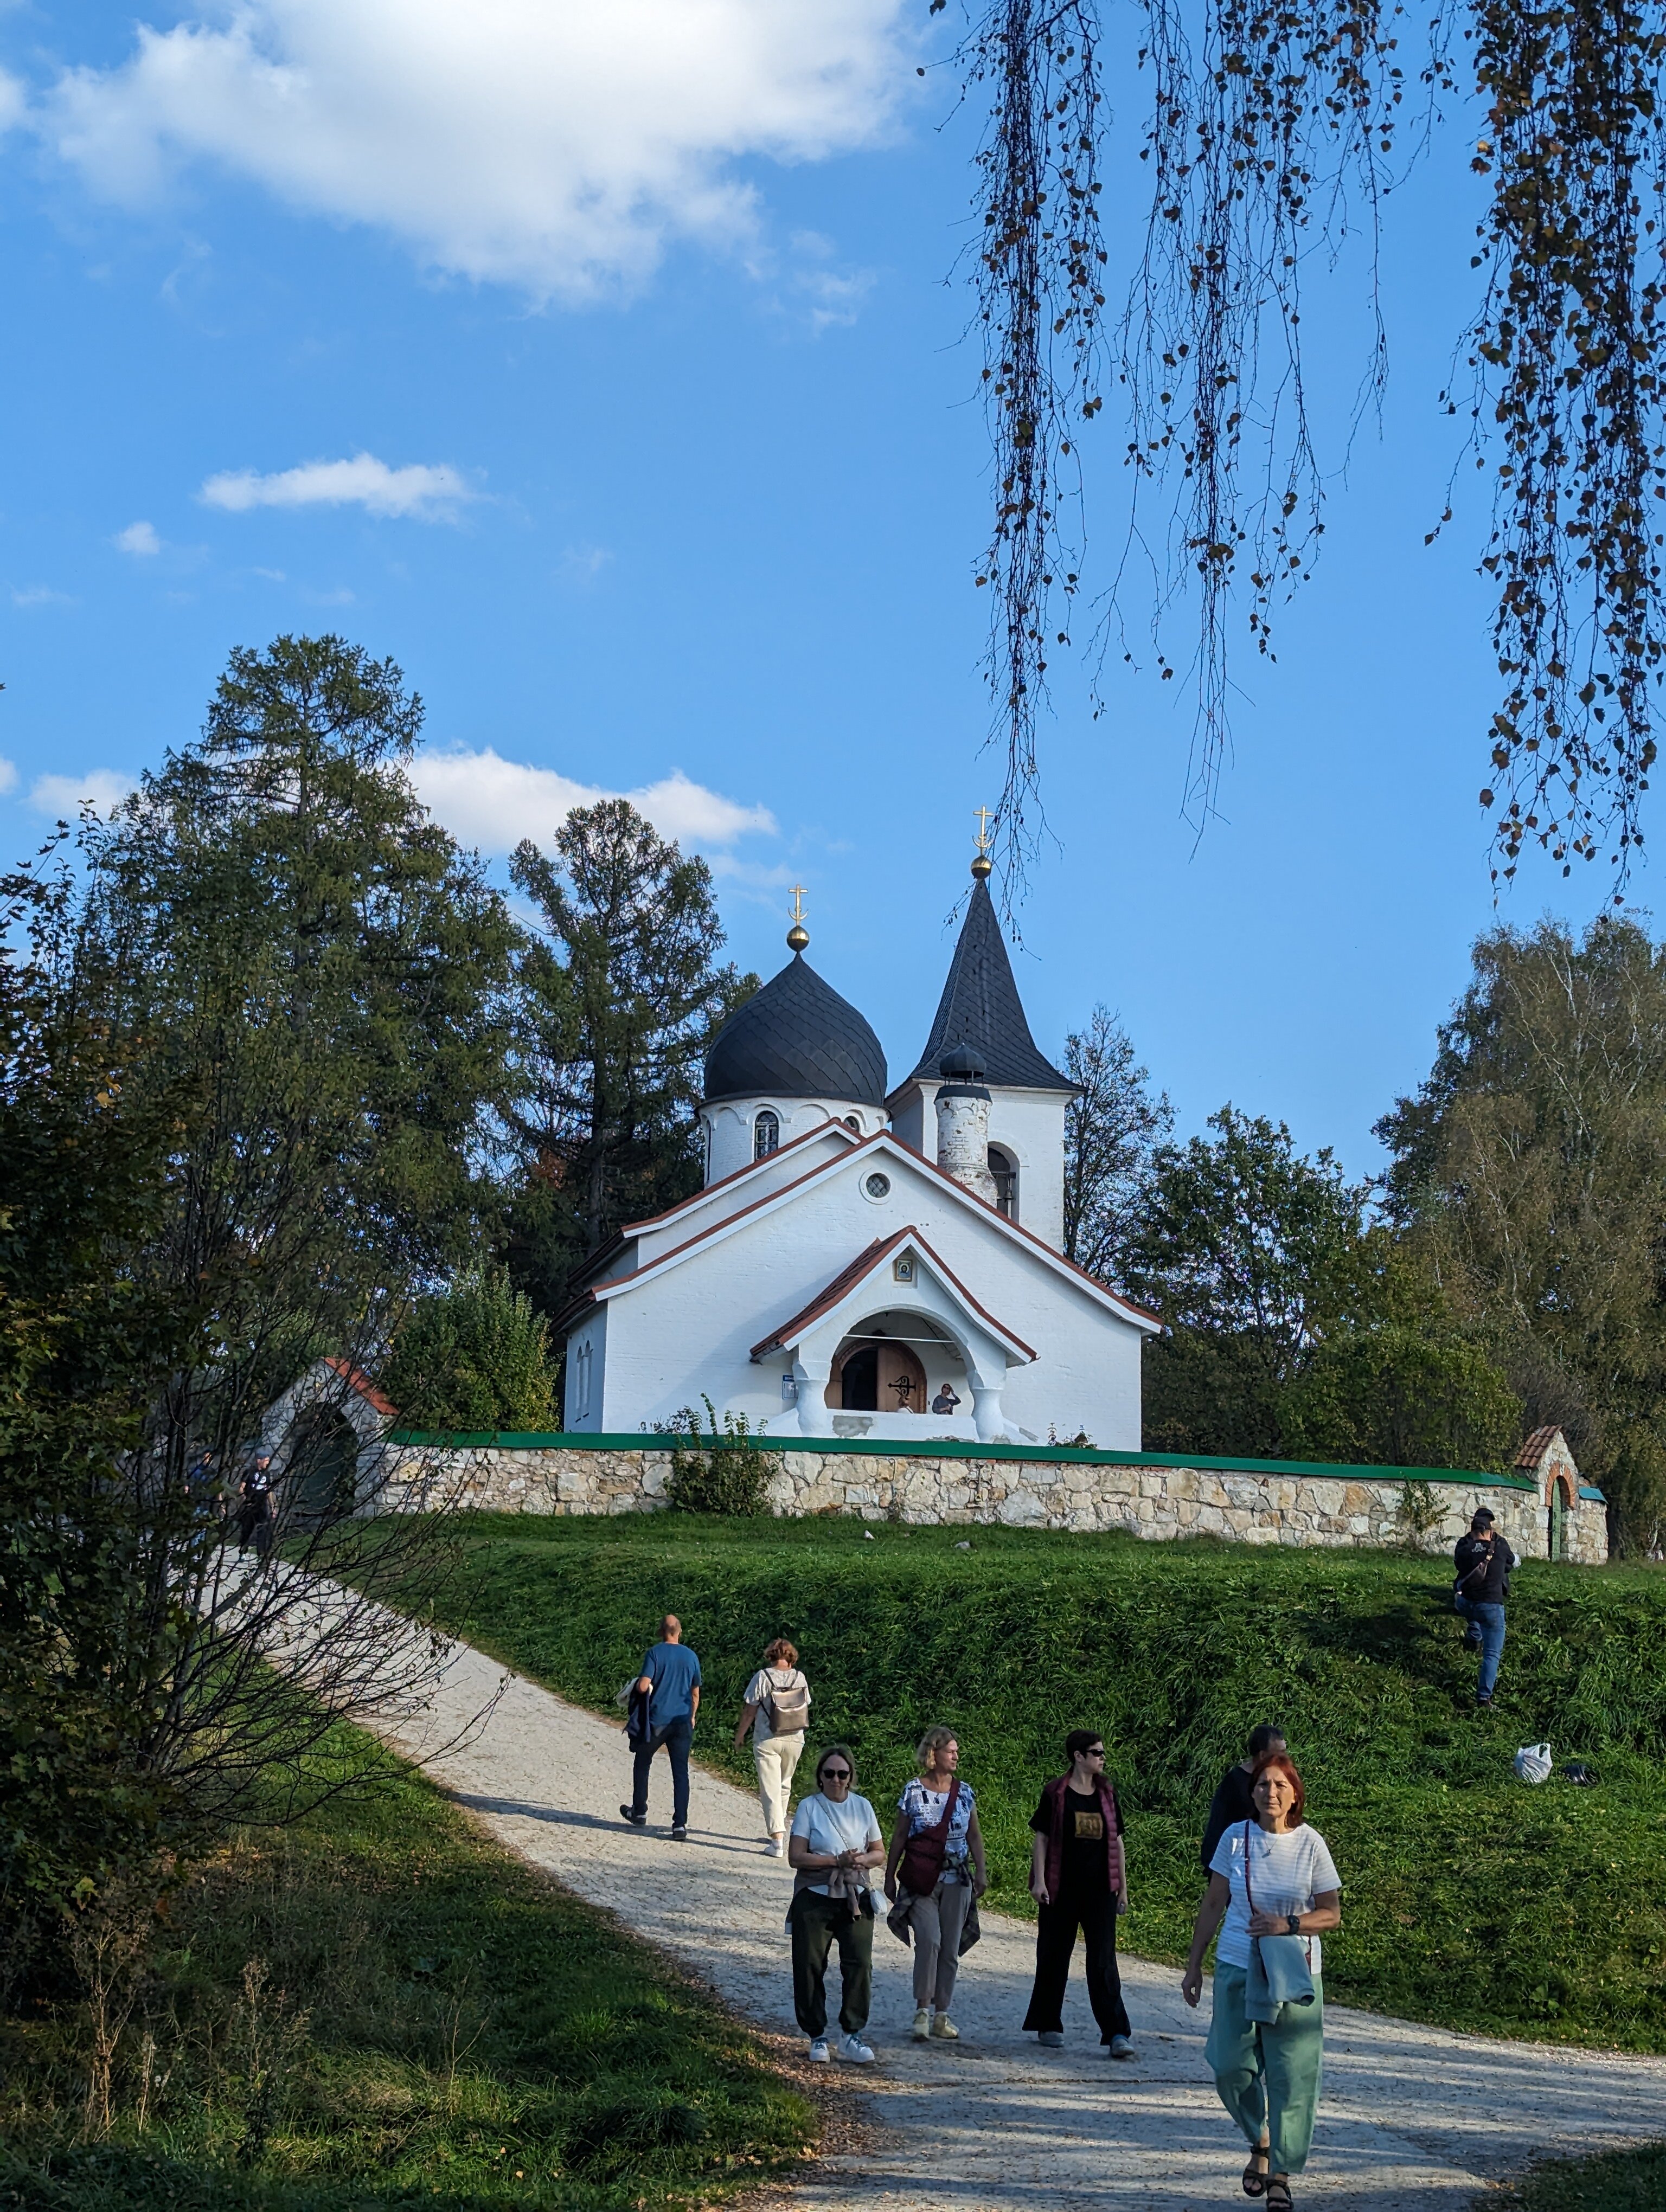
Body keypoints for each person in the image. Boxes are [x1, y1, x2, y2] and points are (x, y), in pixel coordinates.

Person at [1182, 1753, 1342, 2212]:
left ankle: (1282, 2174)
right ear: (1251, 1792)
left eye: (1279, 1786)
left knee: (1293, 2076)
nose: (1269, 1792)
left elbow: (1331, 1914)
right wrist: (1194, 1966)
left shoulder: (1312, 1844)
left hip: (1294, 1973)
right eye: (1262, 1785)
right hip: (1236, 1964)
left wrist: (1288, 1924)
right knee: (1229, 2065)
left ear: (1295, 1795)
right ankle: (1262, 2138)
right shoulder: (1235, 1838)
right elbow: (1213, 1903)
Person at [1023, 1729, 1134, 2057]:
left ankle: (1116, 2032)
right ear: (1079, 1756)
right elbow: (1041, 1838)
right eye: (1097, 1753)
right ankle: (1048, 2022)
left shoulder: (1107, 1794)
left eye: (1102, 1753)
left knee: (1103, 1960)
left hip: (1100, 1891)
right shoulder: (1056, 1793)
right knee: (1054, 1955)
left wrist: (1123, 1889)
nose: (1103, 1758)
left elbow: (1117, 1842)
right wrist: (1039, 1882)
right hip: (1061, 1887)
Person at [885, 1726, 987, 2042]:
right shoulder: (914, 1791)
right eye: (950, 1751)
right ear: (934, 1754)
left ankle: (942, 2015)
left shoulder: (965, 1792)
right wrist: (890, 1876)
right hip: (922, 1881)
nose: (956, 1756)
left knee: (951, 1949)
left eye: (957, 1751)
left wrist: (981, 1871)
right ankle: (922, 2012)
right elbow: (901, 1835)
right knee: (929, 1941)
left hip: (958, 1880)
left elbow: (974, 1835)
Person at [787, 1744, 885, 2064]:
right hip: (815, 1896)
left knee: (859, 1965)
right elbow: (796, 1856)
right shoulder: (809, 1808)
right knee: (809, 1965)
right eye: (829, 1773)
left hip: (855, 1896)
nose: (836, 1780)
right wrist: (835, 1861)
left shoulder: (863, 1807)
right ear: (820, 1777)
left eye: (842, 1774)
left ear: (850, 1777)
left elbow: (879, 1852)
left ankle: (851, 2035)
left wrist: (859, 1861)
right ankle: (817, 2036)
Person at [620, 1614, 702, 1840]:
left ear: (661, 1632)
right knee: (681, 1772)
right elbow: (695, 1693)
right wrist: (692, 1716)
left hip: (656, 1721)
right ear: (680, 1631)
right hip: (682, 1721)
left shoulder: (655, 1653)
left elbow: (645, 1685)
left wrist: (636, 1686)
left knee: (643, 1762)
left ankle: (639, 1812)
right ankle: (680, 1825)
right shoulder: (691, 1657)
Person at [734, 1638, 812, 1856]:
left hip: (768, 1738)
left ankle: (777, 1841)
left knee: (770, 1788)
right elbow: (806, 1704)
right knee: (784, 1785)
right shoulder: (801, 1677)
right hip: (795, 1738)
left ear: (771, 1655)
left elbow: (750, 1709)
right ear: (791, 1656)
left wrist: (740, 1735)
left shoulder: (763, 1676)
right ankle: (779, 1829)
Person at [1201, 1724, 1289, 1872]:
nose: (1285, 1758)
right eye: (1280, 1753)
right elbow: (1218, 1824)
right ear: (1263, 1756)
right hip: (1235, 1866)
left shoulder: (1282, 1779)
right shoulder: (1235, 1783)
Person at [1453, 1507, 1515, 1707]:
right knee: (1492, 1654)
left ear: (1472, 1531)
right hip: (1492, 1607)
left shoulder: (1464, 1548)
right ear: (1489, 1531)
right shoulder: (1501, 1547)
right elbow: (1512, 1564)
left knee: (1466, 1605)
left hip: (1467, 1604)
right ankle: (1483, 1698)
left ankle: (1474, 1635)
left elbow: (1459, 1566)